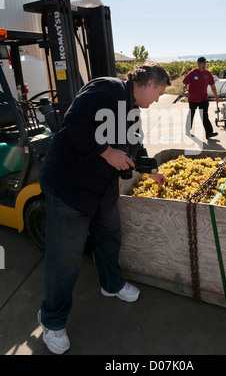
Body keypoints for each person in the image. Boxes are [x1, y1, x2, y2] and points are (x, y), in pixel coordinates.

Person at [37, 62, 171, 354]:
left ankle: (111, 284)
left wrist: (150, 170)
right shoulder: (106, 89)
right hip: (70, 188)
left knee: (110, 237)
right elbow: (75, 121)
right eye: (159, 92)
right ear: (148, 83)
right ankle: (52, 320)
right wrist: (108, 152)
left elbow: (136, 147)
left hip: (103, 188)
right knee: (65, 259)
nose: (158, 99)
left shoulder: (133, 111)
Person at [182, 56, 219, 139]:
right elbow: (184, 83)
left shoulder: (208, 74)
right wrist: (185, 91)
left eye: (205, 63)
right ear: (198, 63)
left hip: (203, 98)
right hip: (192, 99)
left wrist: (216, 97)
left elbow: (213, 86)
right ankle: (188, 130)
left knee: (204, 116)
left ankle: (209, 133)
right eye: (202, 63)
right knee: (191, 114)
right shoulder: (193, 73)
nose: (204, 64)